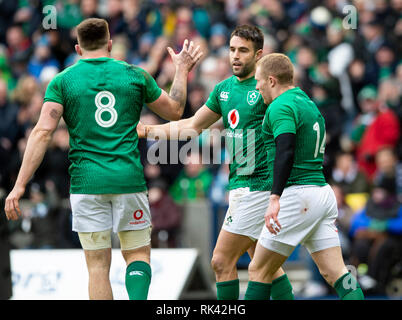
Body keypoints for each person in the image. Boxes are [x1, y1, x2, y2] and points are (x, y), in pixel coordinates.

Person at [4, 18, 202, 300]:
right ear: (110, 45)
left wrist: (20, 185)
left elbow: (42, 132)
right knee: (136, 256)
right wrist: (181, 70)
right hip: (128, 179)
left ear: (77, 48)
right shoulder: (135, 75)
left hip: (86, 184)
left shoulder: (63, 81)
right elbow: (175, 110)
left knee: (97, 267)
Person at [137, 25, 294, 300]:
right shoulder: (223, 90)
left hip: (257, 186)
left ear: (259, 55)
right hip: (241, 185)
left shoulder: (269, 89)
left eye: (243, 51)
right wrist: (146, 130)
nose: (235, 56)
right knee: (265, 264)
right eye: (232, 49)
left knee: (221, 261)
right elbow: (191, 126)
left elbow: (291, 132)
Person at [244, 53, 364, 300]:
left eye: (258, 81)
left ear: (272, 80)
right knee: (336, 273)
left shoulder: (281, 106)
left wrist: (275, 197)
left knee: (258, 269)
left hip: (296, 195)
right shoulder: (308, 103)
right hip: (321, 192)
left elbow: (286, 150)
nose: (256, 87)